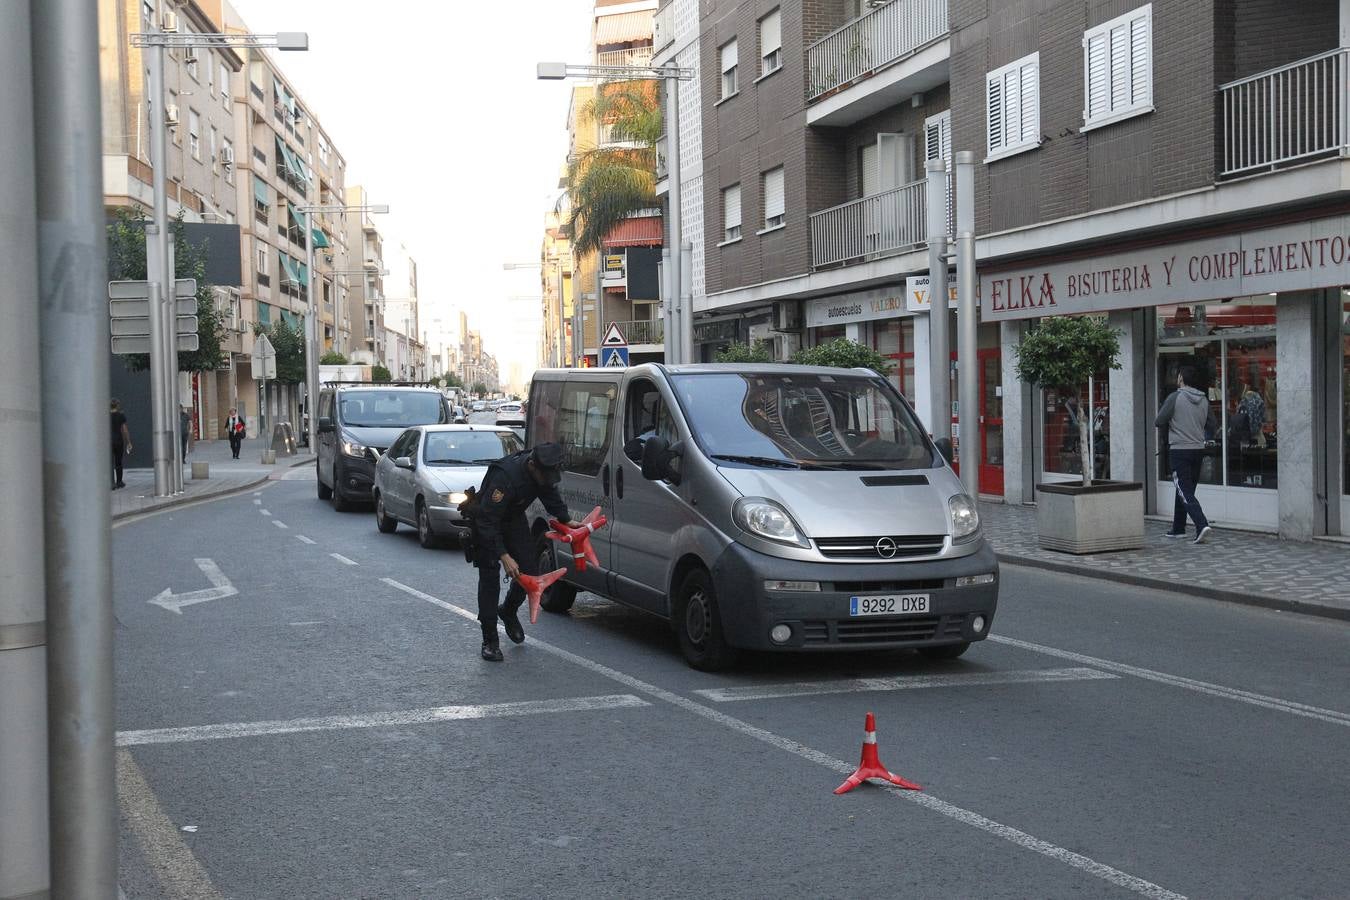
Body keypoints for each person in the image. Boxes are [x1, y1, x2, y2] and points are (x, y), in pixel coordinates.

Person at [467, 442, 575, 661]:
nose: (548, 479)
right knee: (490, 579)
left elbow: (549, 494)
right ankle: (489, 641)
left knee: (531, 572)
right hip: (486, 522)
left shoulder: (542, 471)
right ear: (532, 465)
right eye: (546, 474)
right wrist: (504, 556)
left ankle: (508, 610)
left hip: (512, 519)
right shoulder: (505, 478)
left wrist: (566, 519)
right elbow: (488, 522)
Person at [1155, 365, 1217, 544]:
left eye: (1178, 376)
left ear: (1181, 379)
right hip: (1198, 449)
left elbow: (1159, 420)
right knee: (1185, 489)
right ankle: (1178, 528)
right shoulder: (1204, 400)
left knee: (1184, 490)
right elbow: (1212, 424)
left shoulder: (1175, 397)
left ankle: (1201, 524)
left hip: (1180, 450)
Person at [111, 398, 132, 489]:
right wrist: (128, 442)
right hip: (118, 441)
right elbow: (124, 429)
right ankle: (119, 481)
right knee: (118, 462)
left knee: (109, 462)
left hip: (108, 441)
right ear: (118, 406)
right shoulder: (121, 416)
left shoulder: (105, 416)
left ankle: (110, 482)